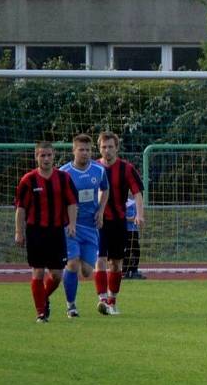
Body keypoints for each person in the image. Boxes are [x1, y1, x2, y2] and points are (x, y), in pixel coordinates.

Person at [14, 141, 78, 322]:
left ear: (54, 155)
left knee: (57, 275)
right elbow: (21, 208)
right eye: (42, 155)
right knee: (38, 272)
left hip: (57, 232)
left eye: (49, 155)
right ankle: (41, 313)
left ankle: (43, 297)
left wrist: (72, 224)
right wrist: (19, 231)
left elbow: (72, 202)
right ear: (36, 157)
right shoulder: (28, 180)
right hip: (35, 232)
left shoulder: (63, 178)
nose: (46, 158)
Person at [94, 131, 144, 315]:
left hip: (118, 221)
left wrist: (140, 214)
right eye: (103, 147)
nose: (107, 150)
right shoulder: (93, 168)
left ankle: (112, 301)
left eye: (110, 147)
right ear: (99, 148)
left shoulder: (126, 168)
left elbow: (137, 192)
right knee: (99, 260)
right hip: (98, 222)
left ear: (117, 148)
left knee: (115, 264)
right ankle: (102, 300)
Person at [60, 134, 109, 318]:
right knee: (72, 264)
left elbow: (106, 189)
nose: (85, 153)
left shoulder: (99, 170)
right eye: (81, 149)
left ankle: (73, 264)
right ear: (74, 151)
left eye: (88, 150)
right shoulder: (64, 173)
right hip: (71, 226)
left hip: (91, 227)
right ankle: (71, 306)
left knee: (87, 271)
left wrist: (101, 210)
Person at [122, 194, 145, 279]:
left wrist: (140, 218)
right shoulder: (123, 200)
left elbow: (139, 215)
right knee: (127, 251)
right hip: (126, 230)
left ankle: (134, 270)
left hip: (134, 230)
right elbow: (120, 215)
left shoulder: (137, 201)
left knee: (136, 250)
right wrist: (129, 219)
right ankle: (125, 271)